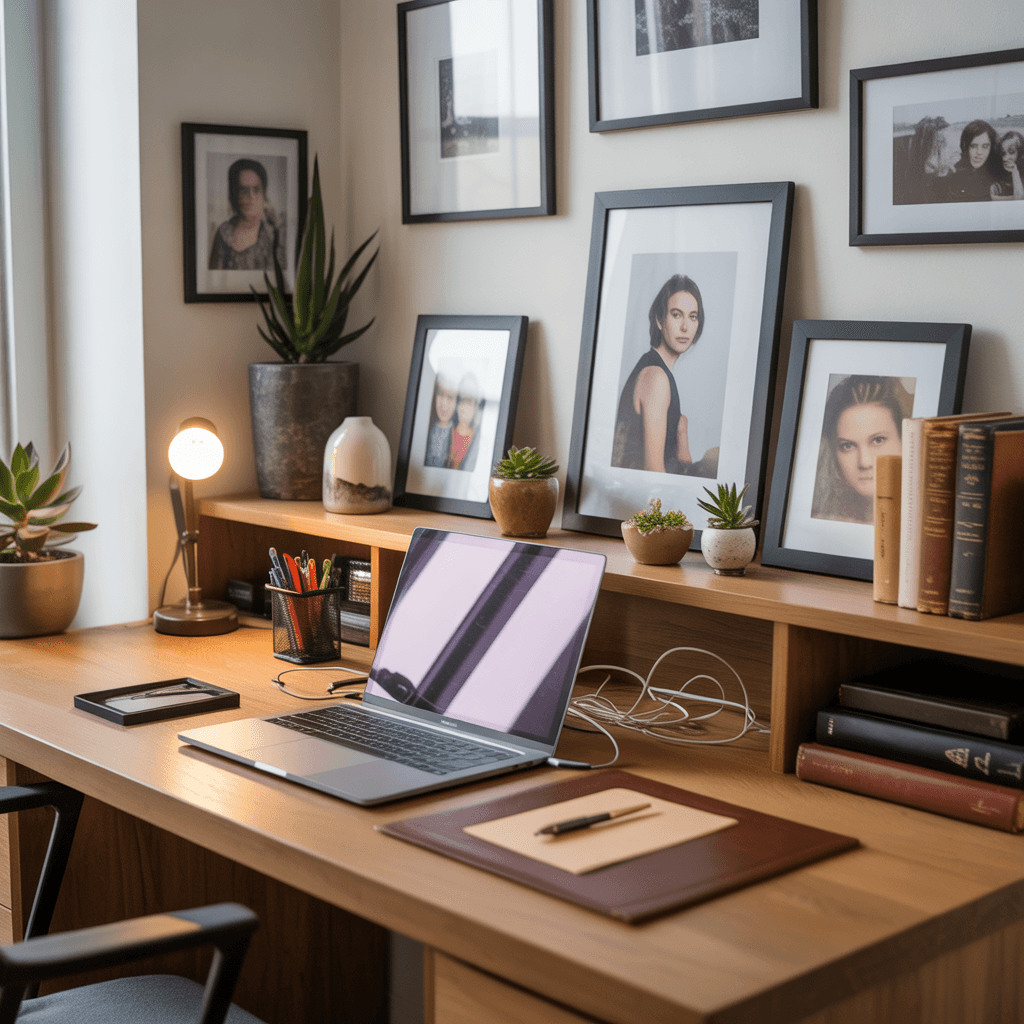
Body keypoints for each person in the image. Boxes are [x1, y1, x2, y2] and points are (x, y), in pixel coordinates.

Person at [611, 274, 718, 477]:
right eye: (677, 315)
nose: (685, 327)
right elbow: (654, 472)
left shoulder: (654, 369)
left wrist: (681, 432)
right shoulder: (656, 378)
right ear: (660, 320)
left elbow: (679, 462)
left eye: (693, 316)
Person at [811, 375, 912, 525]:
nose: (864, 462)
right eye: (848, 446)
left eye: (878, 440)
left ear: (905, 440)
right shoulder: (823, 521)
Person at [208, 158, 287, 271]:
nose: (251, 197)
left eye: (256, 190)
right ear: (234, 194)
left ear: (263, 194)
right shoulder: (223, 234)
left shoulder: (274, 237)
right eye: (244, 190)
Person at [943, 120, 1000, 202]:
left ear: (991, 148)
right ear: (965, 146)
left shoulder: (999, 173)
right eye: (973, 146)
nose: (979, 152)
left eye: (985, 146)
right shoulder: (953, 175)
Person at [445, 374, 483, 472]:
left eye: (469, 401)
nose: (464, 406)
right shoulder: (447, 431)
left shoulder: (478, 440)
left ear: (475, 406)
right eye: (462, 400)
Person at [424, 372, 458, 467]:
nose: (444, 403)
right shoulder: (426, 428)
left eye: (450, 397)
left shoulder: (456, 435)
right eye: (441, 394)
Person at [990, 130, 1024, 200]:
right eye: (1003, 153)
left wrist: (1015, 172)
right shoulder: (997, 184)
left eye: (1011, 152)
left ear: (1021, 154)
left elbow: (1019, 199)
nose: (1005, 158)